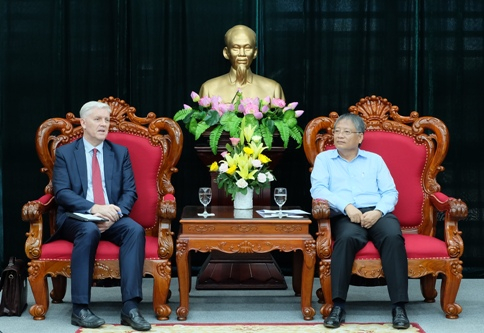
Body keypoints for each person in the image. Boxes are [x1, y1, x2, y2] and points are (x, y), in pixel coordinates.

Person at [51, 101, 151, 331]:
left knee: (134, 230)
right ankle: (80, 308)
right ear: (83, 123)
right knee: (87, 230)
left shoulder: (119, 153)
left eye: (106, 120)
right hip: (76, 217)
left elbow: (130, 192)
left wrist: (114, 214)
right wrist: (94, 208)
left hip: (112, 216)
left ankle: (130, 307)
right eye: (98, 119)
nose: (103, 124)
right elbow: (62, 193)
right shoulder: (66, 153)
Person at [310, 113, 410, 330]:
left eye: (346, 132)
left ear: (360, 137)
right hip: (345, 214)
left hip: (376, 212)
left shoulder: (375, 160)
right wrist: (346, 206)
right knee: (346, 239)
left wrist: (378, 211)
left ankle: (399, 306)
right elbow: (318, 189)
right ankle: (337, 306)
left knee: (393, 237)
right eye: (336, 131)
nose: (340, 136)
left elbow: (390, 192)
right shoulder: (324, 159)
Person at [199, 24, 285, 103]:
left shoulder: (273, 89)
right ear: (226, 52)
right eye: (236, 48)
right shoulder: (209, 89)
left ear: (255, 52)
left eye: (247, 48)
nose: (242, 54)